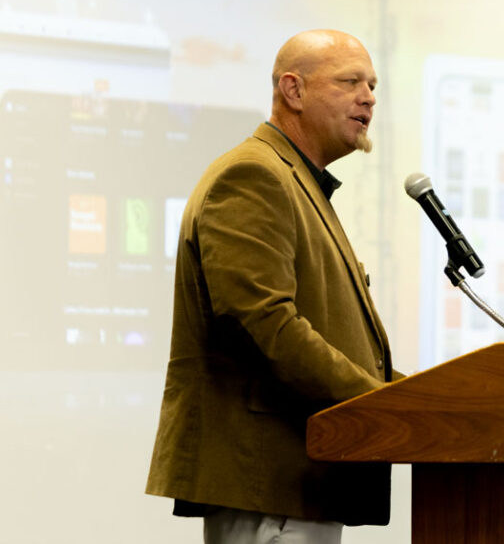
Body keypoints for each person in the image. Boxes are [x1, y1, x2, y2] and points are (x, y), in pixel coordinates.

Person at [146, 29, 397, 544]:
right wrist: (381, 404)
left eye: (372, 84)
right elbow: (266, 324)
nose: (368, 96)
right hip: (267, 481)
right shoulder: (252, 175)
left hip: (298, 482)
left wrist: (414, 397)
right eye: (350, 81)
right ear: (293, 90)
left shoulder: (298, 181)